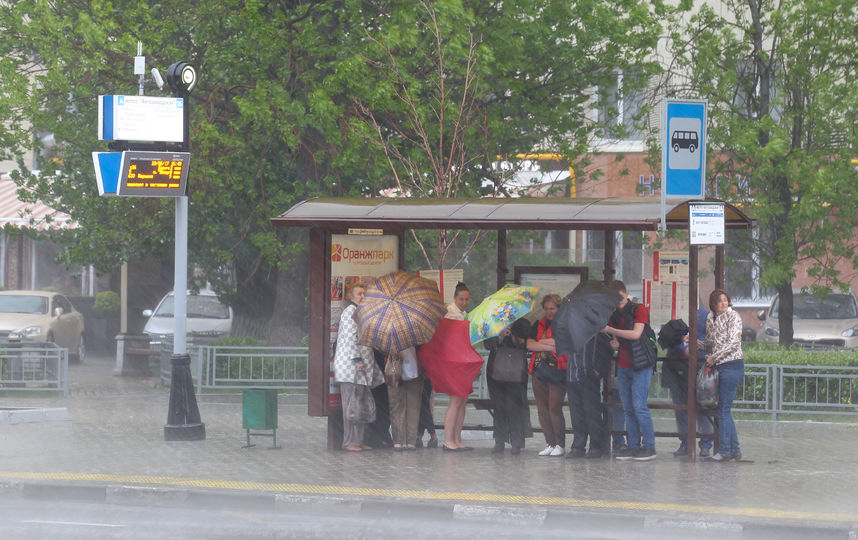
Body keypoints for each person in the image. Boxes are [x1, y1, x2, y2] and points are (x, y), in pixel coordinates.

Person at [604, 280, 656, 461]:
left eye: (620, 297)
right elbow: (616, 338)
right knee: (628, 408)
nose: (618, 301)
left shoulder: (639, 309)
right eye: (614, 298)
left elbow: (636, 334)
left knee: (639, 406)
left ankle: (649, 446)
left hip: (641, 363)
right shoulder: (613, 314)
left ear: (626, 293)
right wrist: (614, 340)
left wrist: (611, 329)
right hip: (623, 364)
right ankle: (633, 445)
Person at [333, 281, 384, 452]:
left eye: (364, 293)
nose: (363, 296)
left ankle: (359, 439)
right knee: (351, 405)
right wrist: (356, 359)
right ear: (350, 296)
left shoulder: (361, 313)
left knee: (361, 405)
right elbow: (349, 339)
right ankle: (349, 441)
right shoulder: (349, 313)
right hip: (351, 369)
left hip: (363, 369)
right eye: (359, 293)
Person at [661, 308, 714, 457]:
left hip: (694, 372)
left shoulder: (706, 318)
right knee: (687, 410)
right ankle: (692, 443)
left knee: (698, 410)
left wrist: (690, 347)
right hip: (680, 374)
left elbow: (707, 346)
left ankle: (698, 444)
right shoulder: (684, 320)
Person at [703, 289, 745, 462]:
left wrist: (715, 358)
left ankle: (726, 451)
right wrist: (692, 342)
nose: (723, 303)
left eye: (725, 300)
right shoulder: (711, 319)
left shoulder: (733, 316)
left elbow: (734, 343)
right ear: (713, 303)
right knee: (724, 410)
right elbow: (710, 343)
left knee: (723, 410)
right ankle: (734, 450)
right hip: (719, 366)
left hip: (731, 366)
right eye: (719, 301)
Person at [526, 294, 568, 457]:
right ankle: (550, 443)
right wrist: (549, 345)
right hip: (539, 370)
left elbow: (562, 343)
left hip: (557, 370)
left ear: (558, 308)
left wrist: (541, 344)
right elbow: (529, 344)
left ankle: (560, 443)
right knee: (542, 409)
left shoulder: (564, 324)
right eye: (547, 309)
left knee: (554, 407)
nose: (549, 312)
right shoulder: (538, 324)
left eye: (553, 308)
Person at [484, 317, 532, 455]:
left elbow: (526, 344)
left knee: (515, 407)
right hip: (496, 371)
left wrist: (514, 334)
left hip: (516, 372)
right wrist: (499, 336)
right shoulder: (493, 323)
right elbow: (487, 345)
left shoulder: (523, 323)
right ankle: (499, 440)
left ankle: (516, 442)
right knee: (498, 407)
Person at [565, 331, 613, 459]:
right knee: (576, 414)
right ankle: (578, 446)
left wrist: (597, 371)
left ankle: (596, 446)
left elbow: (607, 351)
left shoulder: (597, 332)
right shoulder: (569, 333)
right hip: (572, 375)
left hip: (589, 377)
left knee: (592, 412)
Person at [441, 282, 473, 451]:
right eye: (461, 299)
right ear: (455, 298)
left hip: (463, 360)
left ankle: (457, 438)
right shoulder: (449, 313)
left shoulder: (464, 314)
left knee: (462, 400)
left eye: (467, 299)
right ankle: (448, 440)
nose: (464, 302)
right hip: (453, 360)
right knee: (455, 401)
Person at [385, 347, 424, 450]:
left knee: (397, 407)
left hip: (395, 371)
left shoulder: (390, 334)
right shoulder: (417, 334)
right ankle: (410, 441)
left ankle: (399, 441)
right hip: (412, 370)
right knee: (413, 408)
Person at [415, 378, 439, 448]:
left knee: (423, 403)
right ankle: (421, 435)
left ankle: (431, 435)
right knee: (423, 404)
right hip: (424, 373)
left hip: (425, 374)